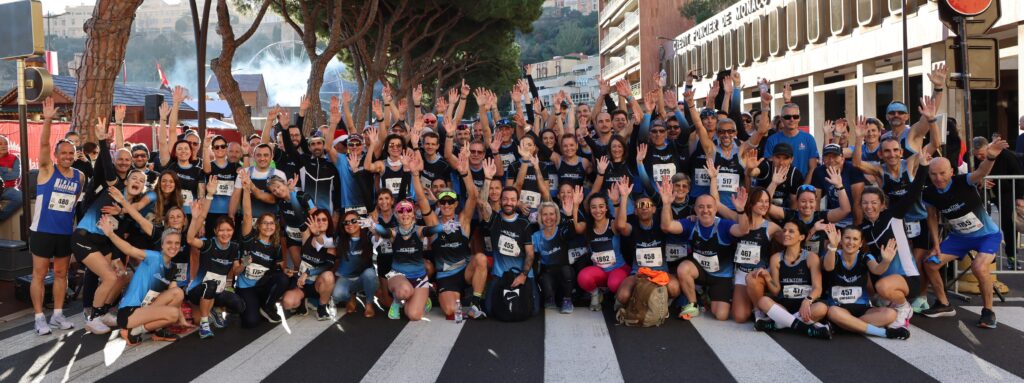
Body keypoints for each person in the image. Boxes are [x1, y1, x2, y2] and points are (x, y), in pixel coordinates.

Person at [920, 139, 1010, 328]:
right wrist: (936, 244)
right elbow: (932, 218)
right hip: (959, 238)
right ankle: (944, 304)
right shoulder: (929, 193)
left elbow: (981, 172)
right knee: (930, 264)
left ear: (951, 172)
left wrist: (991, 156)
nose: (938, 178)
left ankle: (988, 312)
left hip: (987, 236)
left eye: (942, 173)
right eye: (934, 174)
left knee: (978, 267)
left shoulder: (963, 181)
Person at [28, 98, 82, 335]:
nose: (68, 156)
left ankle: (57, 314)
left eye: (72, 152)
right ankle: (39, 317)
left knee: (61, 273)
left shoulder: (79, 177)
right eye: (64, 153)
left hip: (64, 233)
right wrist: (48, 120)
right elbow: (42, 145)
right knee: (39, 274)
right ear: (56, 155)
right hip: (42, 231)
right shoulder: (47, 170)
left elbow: (74, 205)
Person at [659, 171, 742, 321]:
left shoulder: (723, 225)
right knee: (683, 268)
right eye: (701, 207)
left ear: (716, 209)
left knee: (721, 315)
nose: (705, 210)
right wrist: (666, 204)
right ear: (695, 210)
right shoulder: (691, 223)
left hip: (721, 276)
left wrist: (741, 210)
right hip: (701, 271)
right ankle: (693, 303)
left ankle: (706, 295)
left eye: (709, 207)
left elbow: (743, 230)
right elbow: (667, 226)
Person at [99, 216, 183, 345]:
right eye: (169, 242)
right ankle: (134, 331)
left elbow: (174, 295)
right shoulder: (153, 257)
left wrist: (182, 320)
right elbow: (129, 249)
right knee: (173, 314)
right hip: (130, 312)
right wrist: (110, 234)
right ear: (162, 245)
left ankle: (158, 330)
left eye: (177, 243)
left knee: (178, 292)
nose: (173, 246)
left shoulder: (173, 267)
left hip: (147, 309)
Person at [377, 149, 440, 321]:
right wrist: (374, 225)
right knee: (405, 291)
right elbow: (383, 232)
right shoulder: (394, 230)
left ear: (413, 214)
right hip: (398, 276)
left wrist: (444, 227)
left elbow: (432, 230)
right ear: (396, 215)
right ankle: (398, 301)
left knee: (413, 315)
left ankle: (422, 298)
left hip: (418, 277)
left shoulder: (419, 229)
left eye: (408, 211)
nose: (405, 213)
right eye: (401, 211)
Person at [822, 225, 910, 340]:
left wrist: (886, 261)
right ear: (841, 240)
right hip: (839, 308)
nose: (850, 242)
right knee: (833, 312)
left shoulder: (865, 256)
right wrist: (832, 247)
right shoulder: (833, 254)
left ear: (860, 243)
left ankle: (844, 325)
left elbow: (877, 270)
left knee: (891, 314)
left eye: (855, 239)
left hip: (863, 310)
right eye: (847, 238)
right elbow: (828, 267)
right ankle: (883, 333)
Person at [749, 220, 831, 339]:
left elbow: (817, 288)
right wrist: (767, 277)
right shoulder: (776, 258)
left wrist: (807, 300)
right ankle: (806, 328)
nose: (786, 233)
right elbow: (776, 290)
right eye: (784, 230)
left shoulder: (811, 257)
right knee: (763, 301)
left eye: (791, 231)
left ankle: (778, 324)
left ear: (801, 237)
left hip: (805, 306)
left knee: (822, 308)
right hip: (784, 305)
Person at [432, 151, 489, 320]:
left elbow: (473, 196)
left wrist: (465, 173)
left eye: (450, 201)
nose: (447, 205)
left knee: (480, 258)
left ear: (456, 203)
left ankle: (475, 303)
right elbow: (421, 200)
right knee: (450, 311)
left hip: (465, 271)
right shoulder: (434, 222)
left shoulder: (463, 220)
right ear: (439, 204)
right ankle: (450, 294)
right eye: (443, 202)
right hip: (446, 276)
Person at [235, 169, 291, 328]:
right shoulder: (249, 238)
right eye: (265, 223)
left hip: (262, 286)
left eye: (271, 223)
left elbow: (278, 271)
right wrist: (246, 189)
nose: (268, 226)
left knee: (282, 278)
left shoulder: (275, 246)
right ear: (258, 225)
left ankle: (267, 305)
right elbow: (247, 214)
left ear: (276, 227)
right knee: (251, 323)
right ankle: (250, 305)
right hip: (246, 288)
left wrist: (286, 272)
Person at [184, 198, 245, 338]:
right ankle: (204, 325)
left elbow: (236, 270)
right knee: (210, 284)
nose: (225, 233)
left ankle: (214, 308)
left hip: (217, 290)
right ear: (215, 231)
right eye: (221, 230)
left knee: (239, 306)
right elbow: (190, 240)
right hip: (197, 290)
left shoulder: (235, 247)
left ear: (233, 231)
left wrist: (244, 265)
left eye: (229, 230)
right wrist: (195, 218)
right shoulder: (208, 244)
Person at [613, 183, 682, 307]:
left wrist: (667, 204)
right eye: (640, 205)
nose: (644, 208)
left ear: (654, 209)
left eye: (648, 205)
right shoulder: (632, 226)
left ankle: (660, 303)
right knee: (622, 296)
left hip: (661, 272)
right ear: (635, 211)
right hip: (638, 273)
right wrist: (624, 197)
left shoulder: (661, 225)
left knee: (675, 288)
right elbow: (621, 226)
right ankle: (639, 302)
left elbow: (668, 225)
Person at [480, 185, 539, 316]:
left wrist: (523, 275)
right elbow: (482, 203)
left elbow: (530, 253)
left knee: (534, 311)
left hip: (523, 275)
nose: (508, 203)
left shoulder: (524, 223)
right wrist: (488, 179)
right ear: (500, 201)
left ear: (517, 202)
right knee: (490, 310)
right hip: (500, 274)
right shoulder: (494, 219)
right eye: (505, 199)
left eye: (512, 200)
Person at [282, 209, 337, 320]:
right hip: (302, 282)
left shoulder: (331, 242)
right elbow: (298, 214)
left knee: (329, 276)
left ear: (329, 222)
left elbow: (327, 266)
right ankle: (303, 300)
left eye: (324, 219)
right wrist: (291, 194)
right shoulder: (307, 235)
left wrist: (308, 272)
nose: (321, 222)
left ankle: (321, 308)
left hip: (318, 283)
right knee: (288, 303)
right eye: (318, 220)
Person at [332, 210, 378, 318]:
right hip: (346, 278)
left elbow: (380, 238)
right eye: (346, 222)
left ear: (360, 222)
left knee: (370, 274)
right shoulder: (339, 240)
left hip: (364, 277)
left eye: (353, 221)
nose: (350, 224)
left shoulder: (368, 237)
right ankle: (351, 297)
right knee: (337, 295)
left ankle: (369, 303)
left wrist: (375, 228)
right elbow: (322, 242)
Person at [764, 102, 819, 179]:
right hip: (779, 185)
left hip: (803, 185)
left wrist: (803, 188)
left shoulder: (809, 139)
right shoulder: (772, 140)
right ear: (781, 119)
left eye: (795, 116)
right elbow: (770, 167)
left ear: (799, 118)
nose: (792, 119)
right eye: (787, 117)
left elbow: (812, 168)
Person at [0, 136, 22, 222]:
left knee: (20, 197)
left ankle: (1, 217)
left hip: (9, 189)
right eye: (0, 144)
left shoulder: (14, 158)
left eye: (6, 144)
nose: (4, 146)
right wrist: (5, 169)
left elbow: (16, 175)